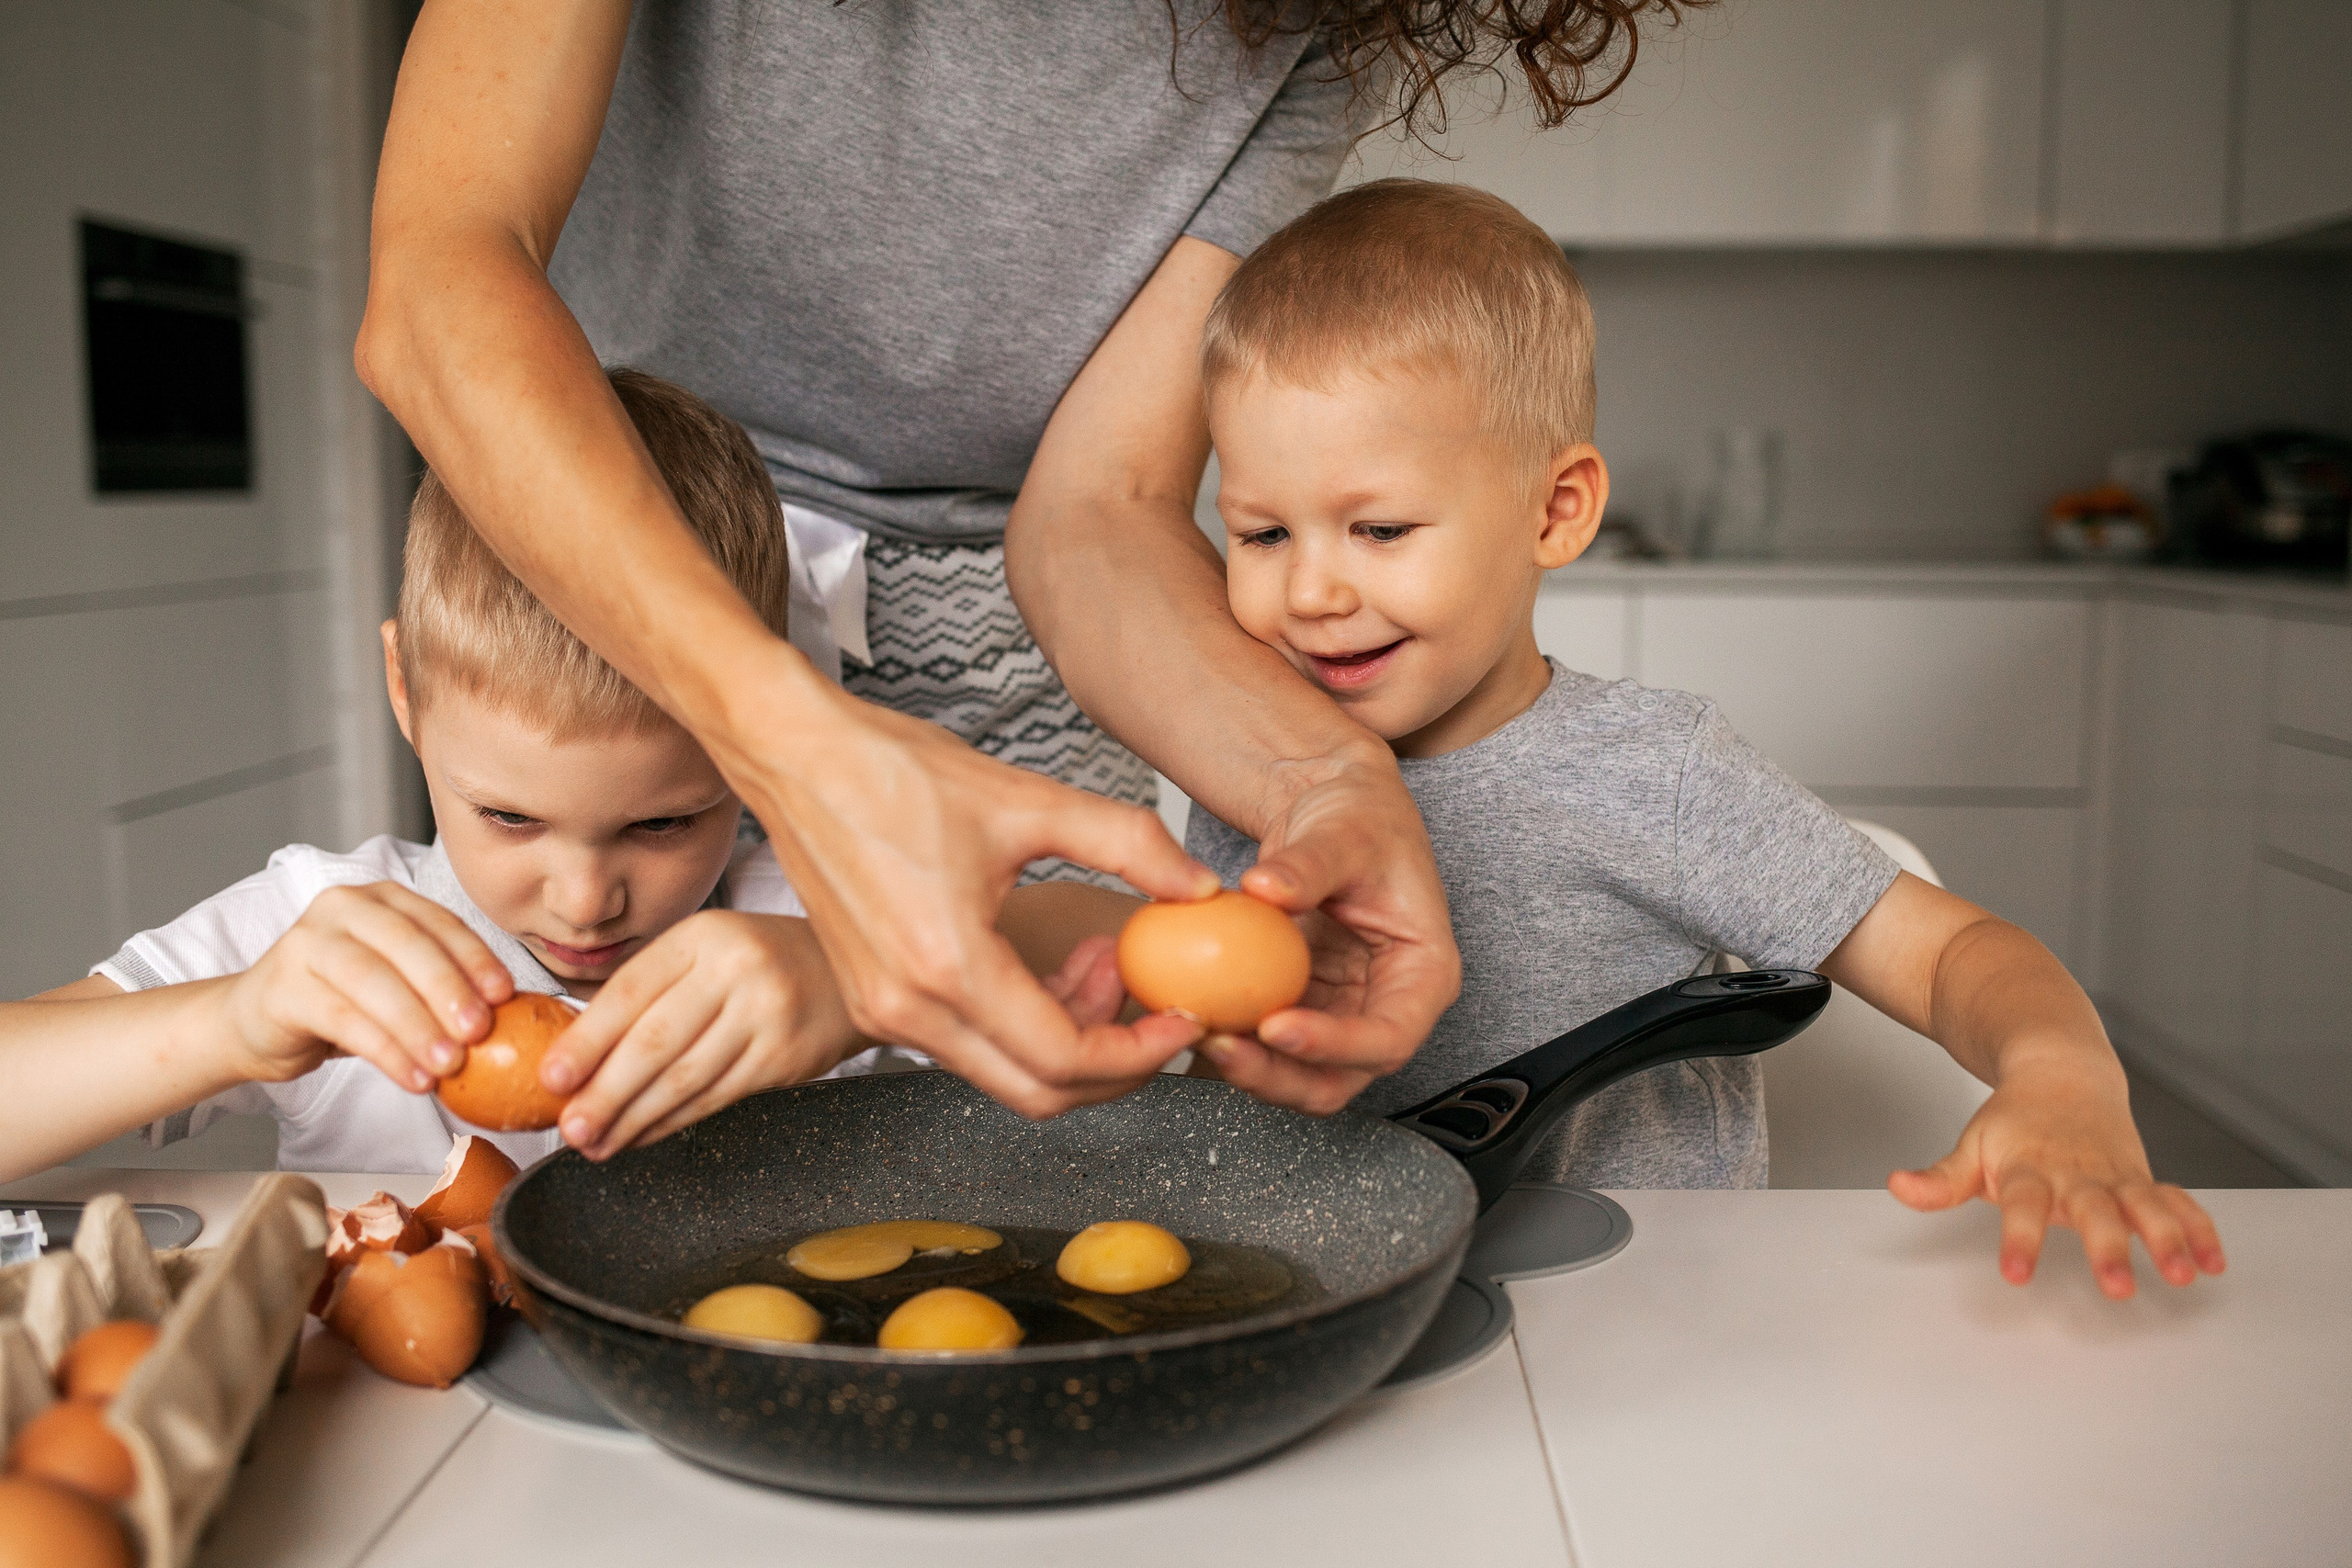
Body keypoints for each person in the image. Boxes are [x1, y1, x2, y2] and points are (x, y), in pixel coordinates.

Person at [356, 0, 1714, 1121]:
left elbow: (1101, 507)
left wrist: (1326, 774)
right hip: (630, 623)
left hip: (1031, 678)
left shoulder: (1313, 17)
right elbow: (439, 282)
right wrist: (785, 739)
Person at [1150, 180, 2222, 1296]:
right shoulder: (1250, 758)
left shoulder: (1655, 776)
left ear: (1555, 511)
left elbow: (1955, 955)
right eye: (1261, 533)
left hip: (1641, 1314)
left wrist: (2061, 1077)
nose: (1312, 590)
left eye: (1378, 529)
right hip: (1335, 1307)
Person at [0, 371, 1177, 1181]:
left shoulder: (809, 927)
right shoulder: (330, 939)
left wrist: (851, 974)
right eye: (508, 816)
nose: (582, 898)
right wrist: (235, 1022)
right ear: (406, 695)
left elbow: (1139, 960)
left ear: (763, 731)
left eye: (665, 822)